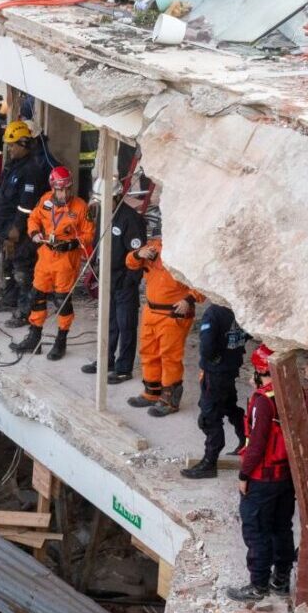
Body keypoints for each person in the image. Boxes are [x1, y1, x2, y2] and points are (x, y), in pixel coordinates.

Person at [227, 344, 295, 602]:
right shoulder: (289, 393)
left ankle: (258, 586)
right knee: (282, 528)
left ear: (259, 371)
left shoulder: (261, 402)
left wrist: (243, 476)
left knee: (257, 531)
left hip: (262, 478)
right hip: (285, 477)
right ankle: (281, 580)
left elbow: (256, 444)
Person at [9, 166, 94, 361]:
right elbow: (33, 218)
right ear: (53, 188)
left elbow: (89, 234)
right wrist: (34, 233)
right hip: (46, 256)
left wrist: (73, 242)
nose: (63, 194)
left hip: (66, 260)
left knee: (62, 302)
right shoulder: (46, 200)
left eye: (67, 189)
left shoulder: (80, 207)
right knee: (37, 297)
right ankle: (34, 337)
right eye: (60, 190)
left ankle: (61, 340)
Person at [125, 215, 205, 417]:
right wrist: (138, 253)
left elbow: (202, 283)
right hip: (151, 311)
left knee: (170, 357)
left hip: (172, 314)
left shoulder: (188, 252)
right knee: (148, 351)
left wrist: (189, 299)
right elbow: (130, 263)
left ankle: (170, 399)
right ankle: (152, 392)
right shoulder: (153, 247)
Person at [0, 121, 50, 321]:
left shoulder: (31, 170)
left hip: (20, 231)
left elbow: (26, 205)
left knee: (22, 271)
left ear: (24, 144)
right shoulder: (14, 165)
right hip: (6, 226)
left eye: (13, 145)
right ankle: (10, 298)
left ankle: (26, 310)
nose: (10, 149)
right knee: (8, 265)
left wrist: (15, 230)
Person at [81, 200, 146, 383]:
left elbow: (138, 252)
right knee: (108, 322)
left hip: (124, 279)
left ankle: (124, 368)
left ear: (115, 196)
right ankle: (106, 360)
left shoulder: (130, 218)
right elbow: (98, 240)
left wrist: (130, 280)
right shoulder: (103, 212)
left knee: (126, 324)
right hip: (106, 276)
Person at [181, 303, 248, 479]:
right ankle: (246, 440)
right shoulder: (240, 307)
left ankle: (209, 462)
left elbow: (207, 347)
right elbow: (246, 335)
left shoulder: (214, 313)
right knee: (229, 406)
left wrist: (214, 359)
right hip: (231, 368)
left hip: (215, 373)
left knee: (209, 417)